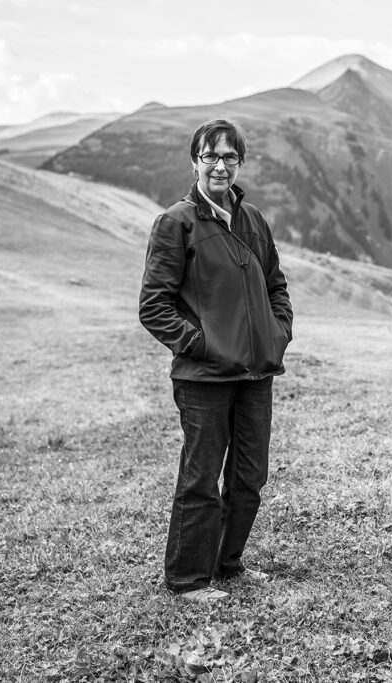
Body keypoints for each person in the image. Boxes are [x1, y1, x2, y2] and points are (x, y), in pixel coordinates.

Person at [139, 119, 293, 602]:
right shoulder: (177, 222)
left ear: (239, 163)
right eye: (210, 156)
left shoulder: (253, 219)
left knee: (249, 477)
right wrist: (202, 344)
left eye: (229, 157)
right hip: (204, 377)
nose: (220, 165)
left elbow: (276, 286)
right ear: (195, 161)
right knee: (202, 478)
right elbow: (154, 307)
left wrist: (278, 333)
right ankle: (187, 579)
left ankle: (228, 564)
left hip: (255, 373)